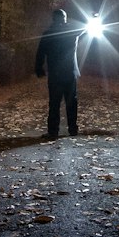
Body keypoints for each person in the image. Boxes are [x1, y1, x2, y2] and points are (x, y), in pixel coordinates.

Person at [35, 8, 81, 139]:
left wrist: (39, 68)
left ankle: (53, 131)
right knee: (71, 102)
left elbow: (40, 53)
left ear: (54, 19)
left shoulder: (48, 34)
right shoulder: (72, 32)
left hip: (55, 74)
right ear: (64, 19)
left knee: (54, 103)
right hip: (69, 73)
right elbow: (85, 28)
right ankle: (72, 129)